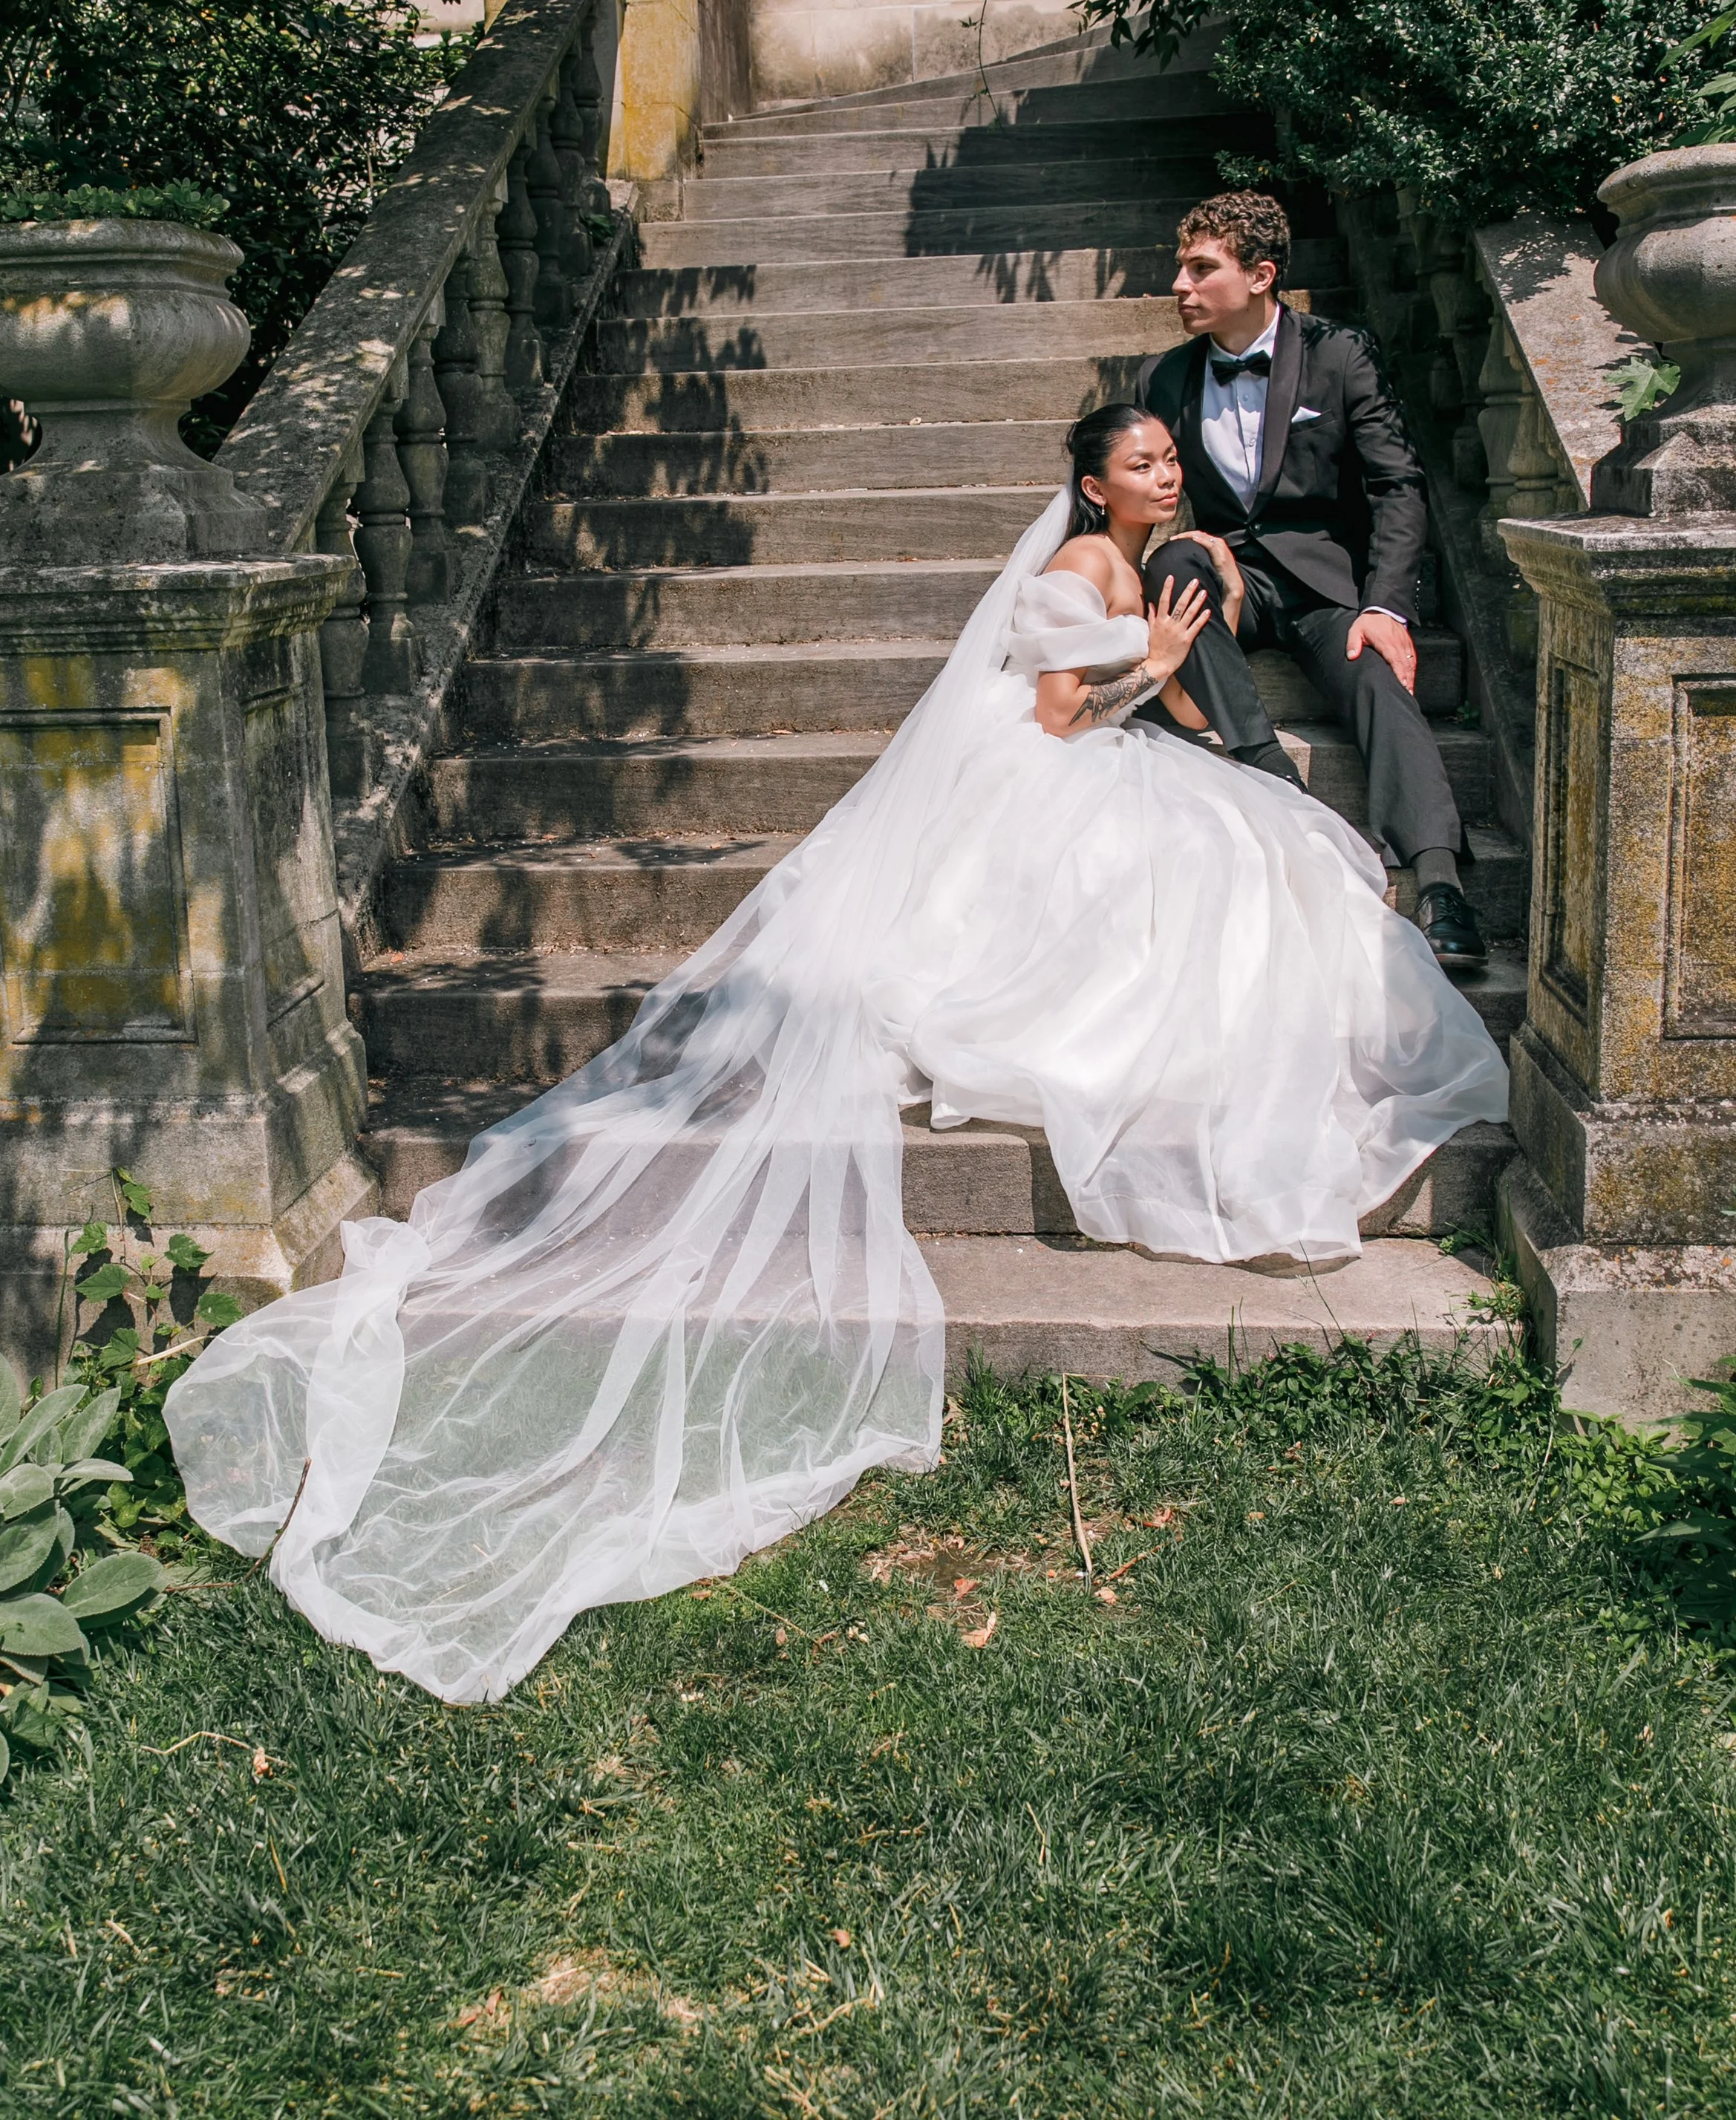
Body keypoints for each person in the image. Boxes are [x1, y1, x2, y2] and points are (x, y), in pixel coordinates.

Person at [167, 408, 1507, 1706]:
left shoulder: (1134, 558)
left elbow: (1140, 706)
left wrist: (1171, 641)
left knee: (1248, 846)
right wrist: (1154, 661)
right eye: (1143, 464)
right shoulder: (1084, 565)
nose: (1165, 475)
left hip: (1082, 748)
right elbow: (1057, 720)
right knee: (1221, 867)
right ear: (1097, 487)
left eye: (1168, 461)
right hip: (1055, 769)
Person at [1135, 189, 1488, 972]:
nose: (1179, 287)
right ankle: (1267, 775)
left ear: (1260, 275)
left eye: (1200, 269)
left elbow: (1397, 485)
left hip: (1328, 585)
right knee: (1173, 563)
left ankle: (1439, 883)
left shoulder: (1337, 352)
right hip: (1233, 578)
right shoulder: (1163, 377)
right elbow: (1133, 484)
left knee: (1376, 680)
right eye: (1180, 269)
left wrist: (1385, 605)